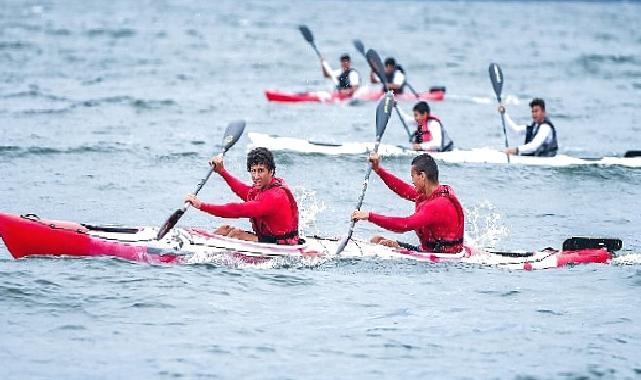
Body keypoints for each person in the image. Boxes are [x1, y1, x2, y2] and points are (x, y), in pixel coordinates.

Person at [351, 153, 465, 253]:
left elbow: (404, 225)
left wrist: (369, 216)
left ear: (422, 176)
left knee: (380, 244)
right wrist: (378, 169)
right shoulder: (430, 193)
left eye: (413, 176)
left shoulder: (437, 205)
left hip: (443, 256)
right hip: (428, 250)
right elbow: (403, 189)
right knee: (377, 240)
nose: (412, 181)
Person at [184, 147, 300, 245]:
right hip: (268, 238)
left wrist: (201, 205)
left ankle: (201, 249)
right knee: (225, 229)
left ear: (271, 171)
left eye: (261, 171)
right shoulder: (263, 188)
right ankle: (198, 246)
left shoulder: (274, 196)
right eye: (253, 171)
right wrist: (222, 172)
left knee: (236, 234)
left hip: (281, 244)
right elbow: (243, 191)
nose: (256, 176)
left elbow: (237, 210)